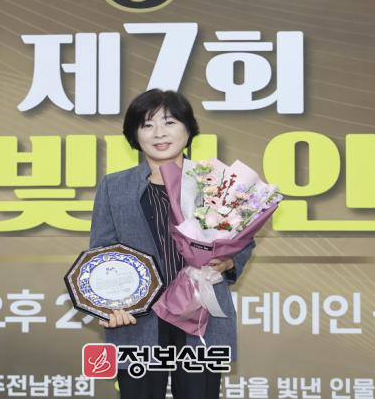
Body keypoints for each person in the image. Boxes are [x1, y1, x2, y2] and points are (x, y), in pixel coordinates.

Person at [89, 89, 256, 399]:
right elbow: (101, 254)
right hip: (137, 319)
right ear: (134, 134)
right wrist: (108, 304)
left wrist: (230, 261)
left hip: (202, 312)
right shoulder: (114, 186)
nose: (159, 133)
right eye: (147, 124)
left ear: (188, 129)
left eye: (169, 122)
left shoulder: (214, 182)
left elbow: (243, 240)